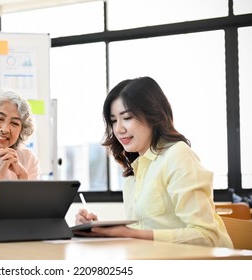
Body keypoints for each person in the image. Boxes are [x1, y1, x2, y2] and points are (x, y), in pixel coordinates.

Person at [74, 76, 233, 248]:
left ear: (152, 115)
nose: (118, 129)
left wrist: (129, 233)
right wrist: (100, 230)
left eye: (127, 117)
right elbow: (144, 230)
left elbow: (207, 237)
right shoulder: (133, 173)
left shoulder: (178, 155)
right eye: (113, 121)